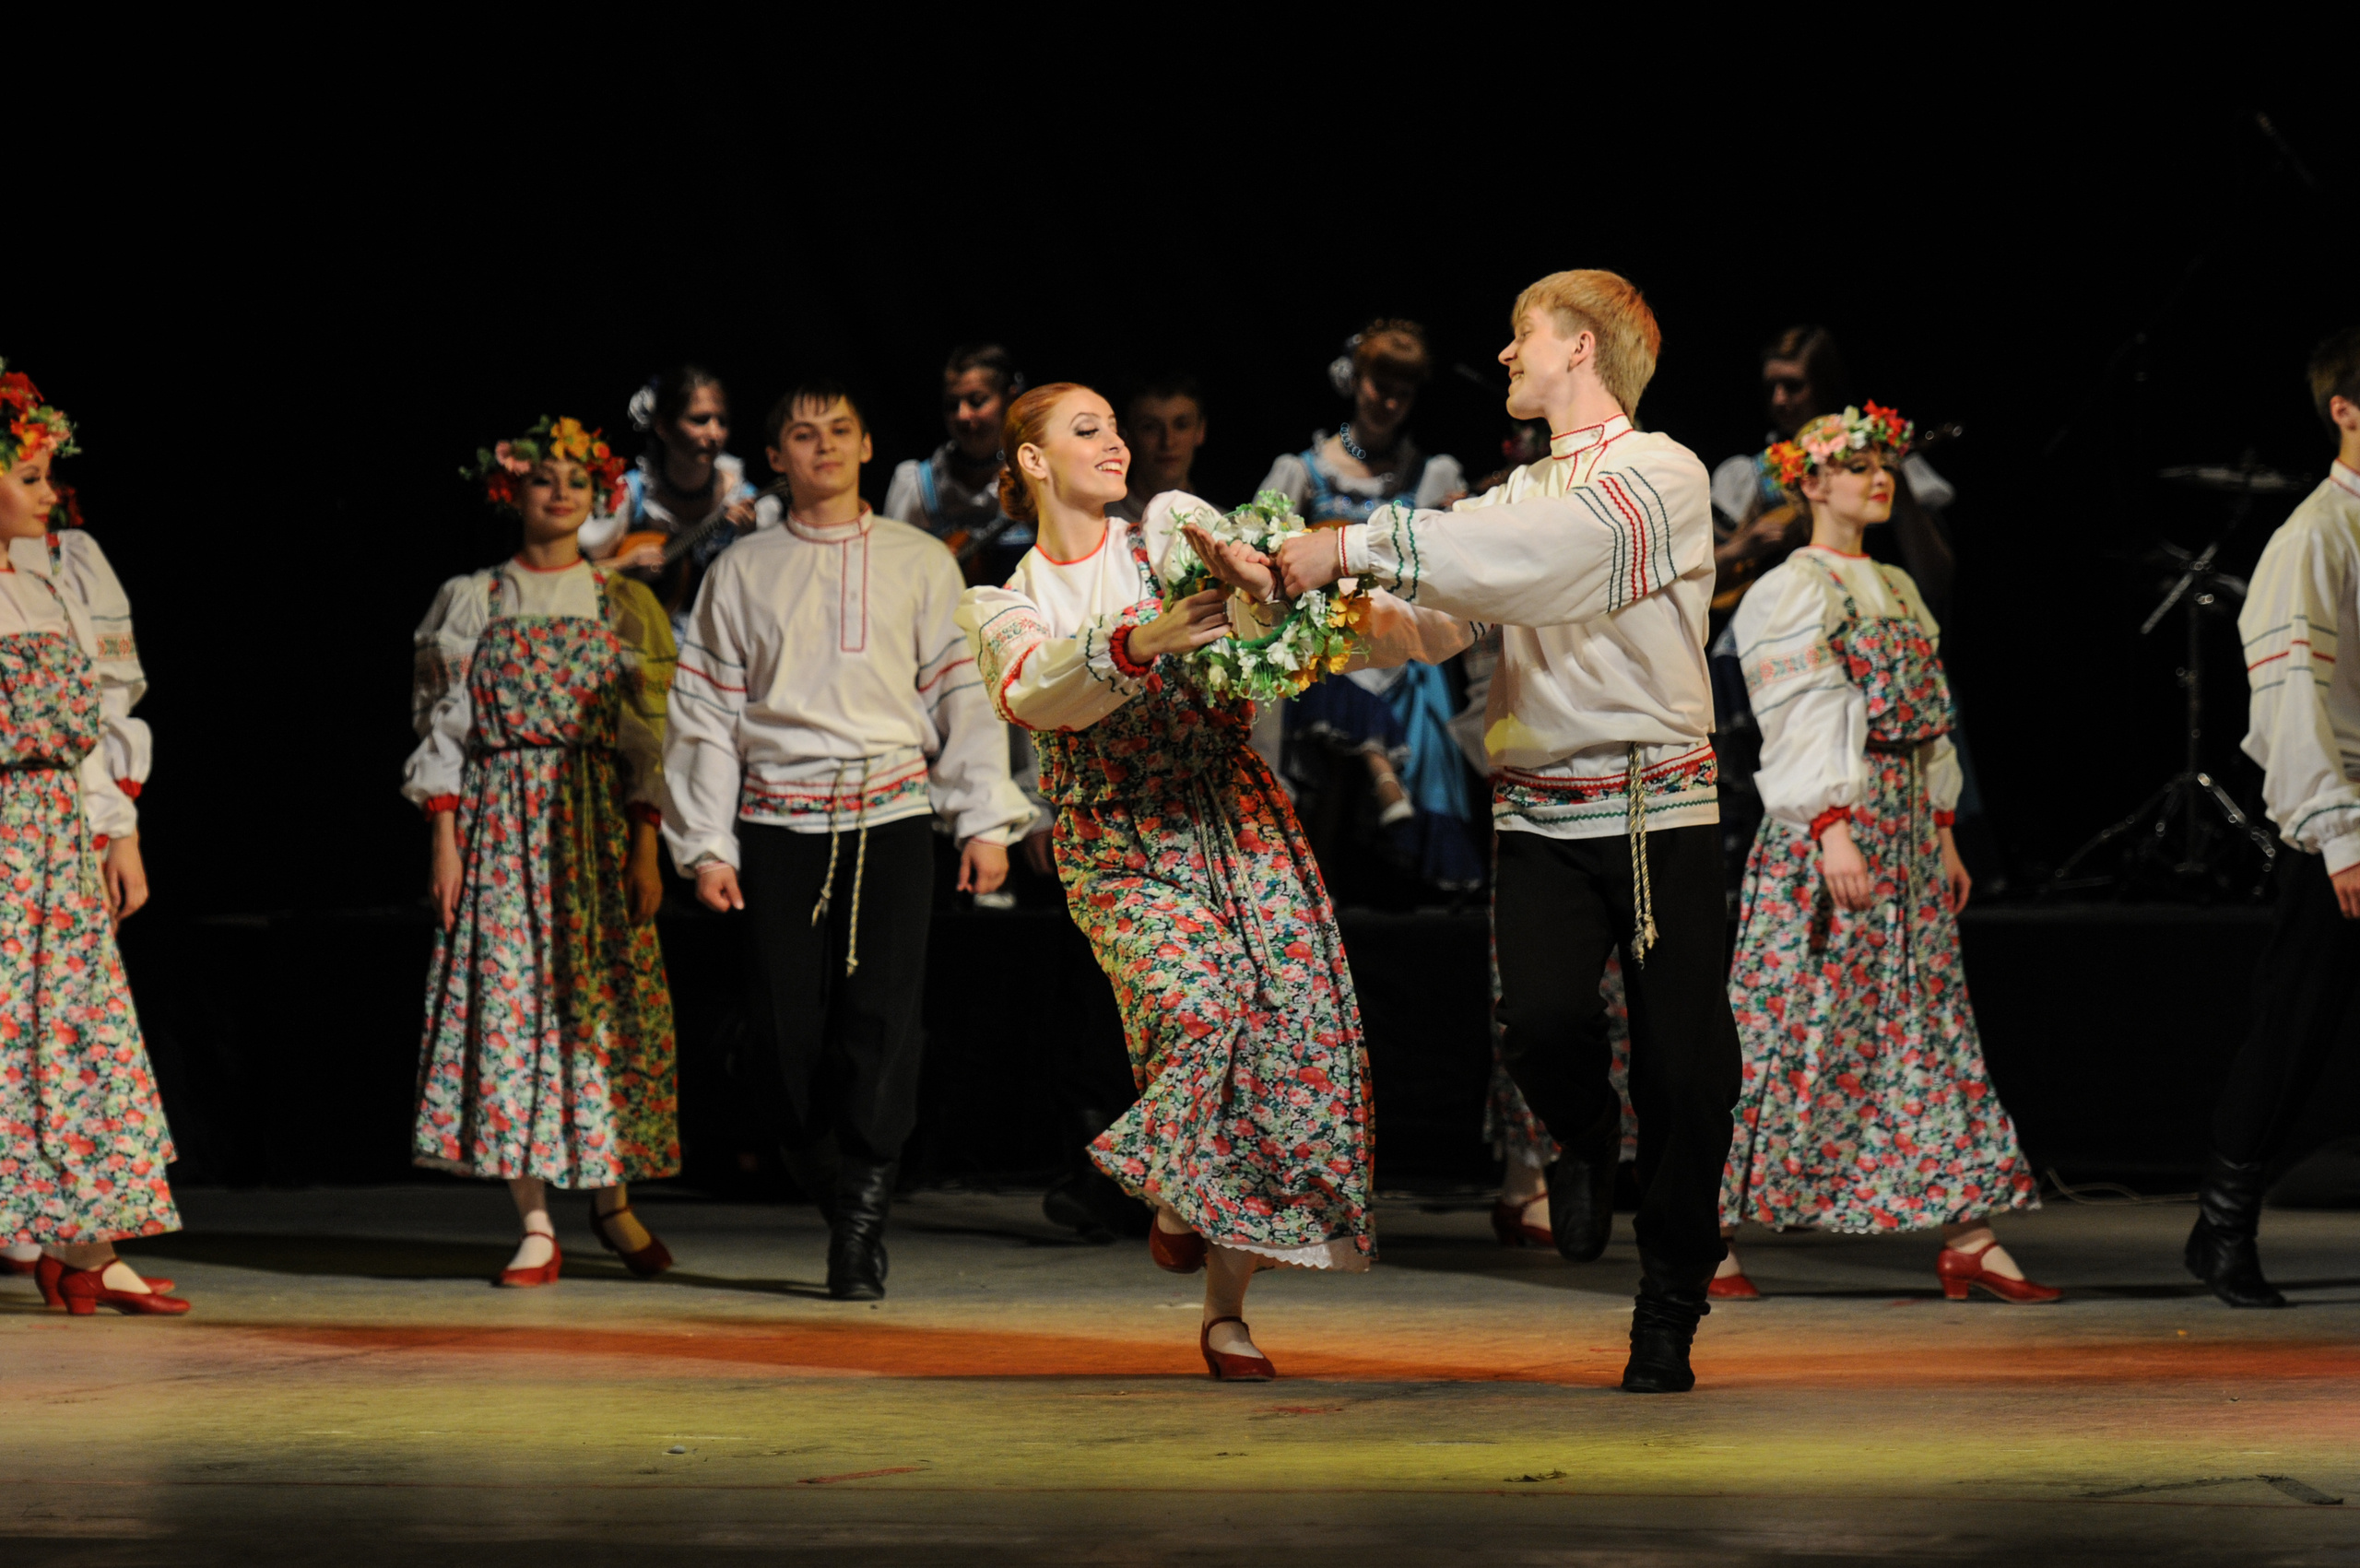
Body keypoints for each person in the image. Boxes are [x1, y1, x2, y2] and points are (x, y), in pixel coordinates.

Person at [1276, 270, 1740, 1395]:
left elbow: (1535, 563)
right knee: (1536, 1030)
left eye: (1521, 336)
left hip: (1652, 809)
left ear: (1579, 347)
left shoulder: (1658, 472)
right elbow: (1432, 619)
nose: (1504, 355)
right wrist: (1294, 617)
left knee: (1687, 1071)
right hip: (1539, 809)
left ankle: (1669, 1302)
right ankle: (1585, 1137)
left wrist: (1349, 544)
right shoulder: (1506, 497)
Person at [957, 382, 1466, 1378]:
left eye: (1116, 428)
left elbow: (1196, 525)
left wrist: (1254, 570)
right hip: (1121, 837)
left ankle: (1224, 1311)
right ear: (1029, 459)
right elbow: (1030, 692)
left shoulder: (1162, 534)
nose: (1114, 446)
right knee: (1200, 1007)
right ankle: (1170, 1189)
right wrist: (1138, 641)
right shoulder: (1006, 598)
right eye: (1087, 430)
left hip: (1232, 816)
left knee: (1286, 1035)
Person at [667, 380, 1032, 1302]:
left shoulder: (918, 561)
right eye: (801, 433)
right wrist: (705, 846)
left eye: (839, 430)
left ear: (869, 446)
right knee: (785, 1039)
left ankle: (861, 1222)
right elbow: (705, 714)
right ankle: (835, 1189)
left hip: (892, 816)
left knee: (882, 1021)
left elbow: (962, 695)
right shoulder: (742, 568)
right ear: (777, 457)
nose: (822, 446)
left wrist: (982, 818)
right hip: (780, 820)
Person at [1715, 404, 2053, 1304]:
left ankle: (1969, 1236)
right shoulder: (1791, 588)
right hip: (1831, 833)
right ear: (1810, 481)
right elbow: (1793, 724)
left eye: (1885, 467)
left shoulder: (1898, 587)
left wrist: (1940, 831)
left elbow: (1931, 720)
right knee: (1787, 1025)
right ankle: (1705, 1228)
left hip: (1903, 832)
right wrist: (1829, 828)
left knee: (1927, 1030)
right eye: (1857, 465)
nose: (1878, 479)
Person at [406, 415, 682, 1288]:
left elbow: (649, 736)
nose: (559, 491)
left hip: (594, 822)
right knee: (511, 1011)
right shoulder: (474, 597)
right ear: (512, 491)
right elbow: (441, 728)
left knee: (598, 1012)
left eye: (575, 478)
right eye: (542, 477)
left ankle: (611, 1196)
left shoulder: (620, 601)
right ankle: (534, 1218)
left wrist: (645, 846)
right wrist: (446, 842)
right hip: (502, 827)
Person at [0, 362, 187, 1315]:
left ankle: (84, 1246)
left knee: (70, 1039)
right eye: (29, 477)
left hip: (51, 838)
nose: (50, 493)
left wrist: (120, 830)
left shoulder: (55, 577)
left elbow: (94, 719)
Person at [2187, 327, 2360, 1310]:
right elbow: (2292, 695)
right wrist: (2337, 831)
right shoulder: (2310, 538)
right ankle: (2221, 1225)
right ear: (2343, 409)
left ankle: (2220, 1225)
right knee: (2295, 1026)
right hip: (2341, 815)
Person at [1259, 322, 1481, 892]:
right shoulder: (1303, 471)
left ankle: (1399, 852)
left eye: (1402, 392)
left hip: (1402, 644)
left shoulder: (1432, 475)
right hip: (1318, 641)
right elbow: (1259, 550)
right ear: (1352, 381)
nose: (1388, 402)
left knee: (1410, 660)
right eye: (1379, 385)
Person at [581, 365, 760, 641]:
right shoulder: (632, 493)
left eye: (721, 421)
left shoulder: (742, 497)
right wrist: (626, 564)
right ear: (663, 426)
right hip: (636, 636)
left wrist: (750, 539)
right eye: (700, 420)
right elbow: (578, 576)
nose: (715, 433)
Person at [883, 343, 1032, 586]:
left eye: (977, 401)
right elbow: (891, 576)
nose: (962, 415)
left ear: (1010, 399)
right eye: (952, 405)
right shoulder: (918, 484)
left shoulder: (1035, 478)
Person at [1113, 374, 1212, 522]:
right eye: (1150, 427)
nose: (1168, 442)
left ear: (1201, 430)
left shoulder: (1229, 531)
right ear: (1125, 434)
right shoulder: (1097, 529)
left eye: (1181, 425)